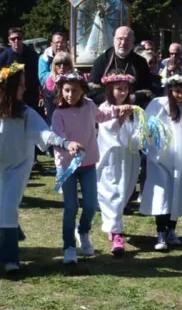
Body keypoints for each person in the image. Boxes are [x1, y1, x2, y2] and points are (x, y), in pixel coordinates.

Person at [0, 64, 81, 273]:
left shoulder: (25, 113)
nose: (24, 90)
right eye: (20, 86)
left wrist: (65, 143)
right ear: (8, 87)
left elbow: (45, 133)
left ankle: (10, 258)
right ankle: (12, 232)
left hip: (17, 168)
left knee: (8, 208)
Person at [51, 72, 133, 264]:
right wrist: (68, 144)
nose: (71, 94)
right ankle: (69, 247)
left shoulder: (88, 105)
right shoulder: (58, 113)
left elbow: (102, 116)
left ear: (83, 91)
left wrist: (119, 110)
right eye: (67, 91)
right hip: (67, 167)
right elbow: (57, 137)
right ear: (61, 91)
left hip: (88, 163)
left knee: (90, 205)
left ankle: (83, 231)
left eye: (75, 91)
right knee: (71, 207)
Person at [141, 74, 182, 251]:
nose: (180, 95)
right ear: (170, 90)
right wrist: (149, 131)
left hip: (180, 157)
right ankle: (160, 232)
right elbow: (146, 125)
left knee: (178, 192)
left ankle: (171, 229)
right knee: (162, 194)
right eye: (177, 91)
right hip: (161, 157)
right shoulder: (159, 104)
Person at [96, 73, 141, 256]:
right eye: (118, 89)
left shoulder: (132, 108)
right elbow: (108, 132)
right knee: (111, 192)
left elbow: (137, 131)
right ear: (110, 90)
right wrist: (121, 117)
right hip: (110, 157)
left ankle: (112, 224)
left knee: (124, 192)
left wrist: (142, 135)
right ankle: (116, 234)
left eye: (125, 89)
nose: (122, 92)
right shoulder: (105, 107)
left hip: (128, 156)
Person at [89, 27, 158, 105]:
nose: (123, 43)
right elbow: (92, 90)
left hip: (133, 107)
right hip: (107, 107)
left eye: (127, 40)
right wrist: (113, 99)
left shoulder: (140, 62)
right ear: (114, 39)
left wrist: (134, 98)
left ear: (133, 42)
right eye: (120, 39)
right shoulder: (102, 60)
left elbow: (148, 89)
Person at [0, 27, 40, 112]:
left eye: (19, 38)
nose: (16, 41)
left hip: (30, 96)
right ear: (9, 40)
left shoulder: (32, 55)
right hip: (10, 97)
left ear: (22, 39)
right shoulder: (3, 57)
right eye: (13, 39)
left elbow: (37, 77)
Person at [43, 52, 74, 126]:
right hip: (54, 119)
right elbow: (51, 103)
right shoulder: (50, 81)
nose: (62, 67)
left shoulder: (75, 80)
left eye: (65, 63)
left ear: (70, 66)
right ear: (54, 65)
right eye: (58, 64)